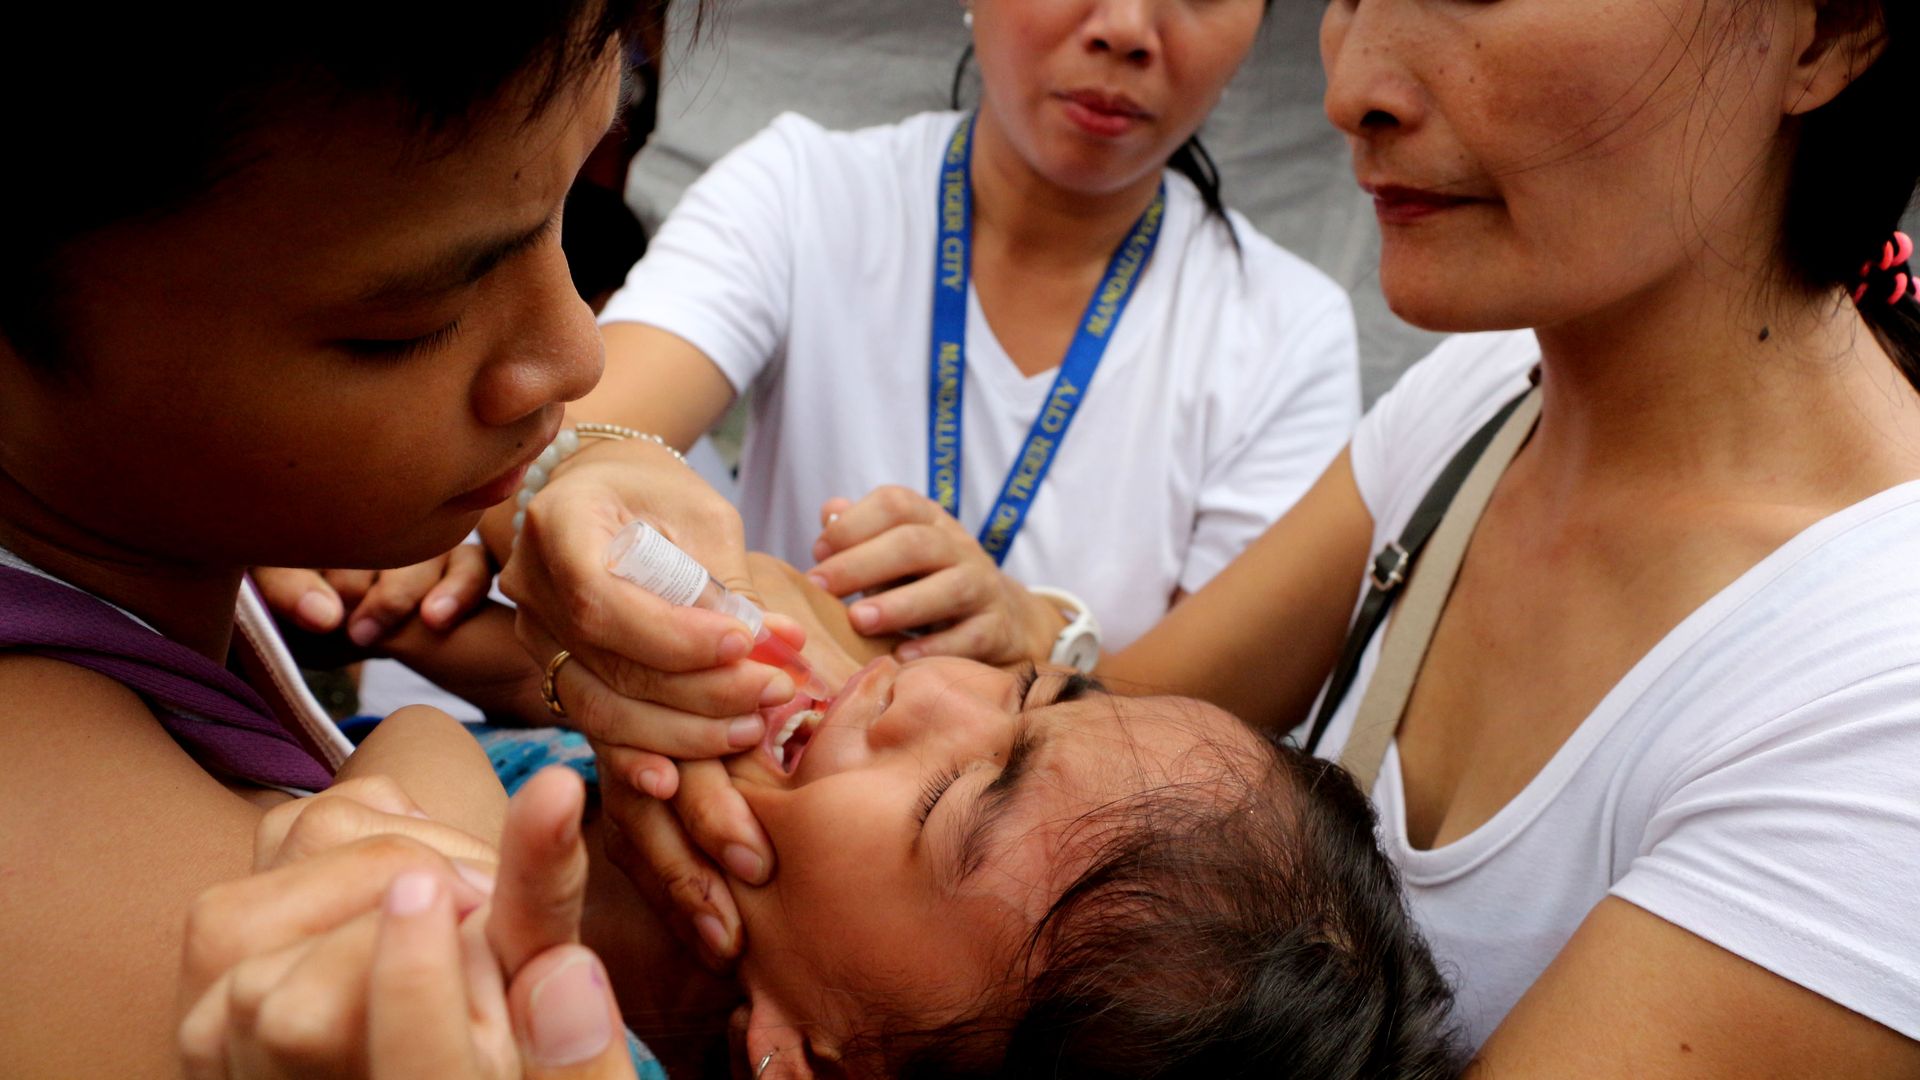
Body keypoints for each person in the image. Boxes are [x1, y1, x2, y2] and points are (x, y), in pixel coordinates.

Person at [515, 0, 1920, 1073]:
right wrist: (619, 565)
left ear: (1832, 30)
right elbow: (1123, 739)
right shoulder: (1478, 406)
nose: (1353, 85)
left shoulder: (1877, 705)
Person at [0, 1, 655, 1072]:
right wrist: (431, 770)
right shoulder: (102, 904)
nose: (577, 353)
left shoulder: (184, 522)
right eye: (401, 330)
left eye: (571, 209)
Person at [179, 552, 1465, 1078]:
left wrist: (446, 810)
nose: (919, 688)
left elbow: (405, 749)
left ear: (812, 1060)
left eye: (957, 796)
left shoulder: (513, 1031)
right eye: (1034, 689)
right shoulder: (668, 764)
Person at [543, 0, 1358, 671]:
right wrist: (586, 491)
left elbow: (1209, 724)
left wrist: (1043, 632)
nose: (1127, 28)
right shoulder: (802, 194)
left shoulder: (1290, 330)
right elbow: (580, 450)